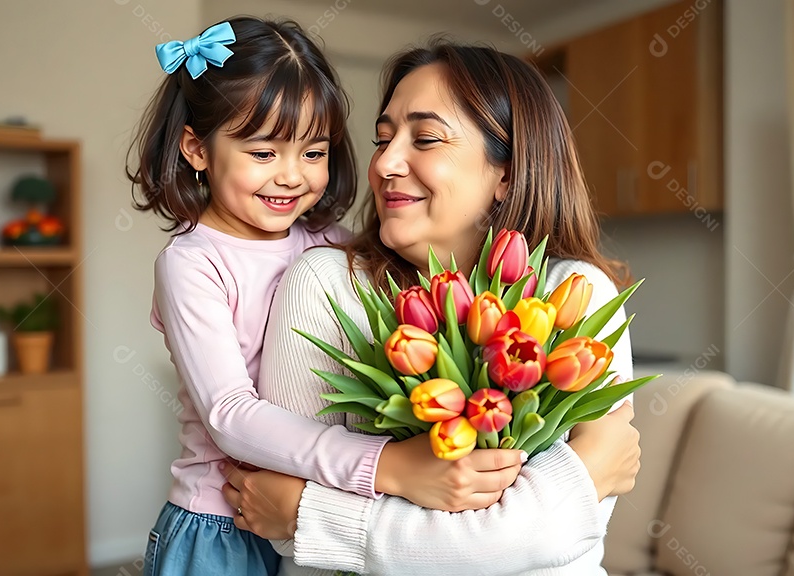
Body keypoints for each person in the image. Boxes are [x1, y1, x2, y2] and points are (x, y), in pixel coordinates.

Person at [220, 41, 643, 575]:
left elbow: (565, 534)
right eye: (382, 139)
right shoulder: (326, 283)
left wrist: (314, 518)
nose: (386, 163)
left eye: (425, 138)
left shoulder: (575, 292)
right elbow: (268, 503)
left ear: (507, 172)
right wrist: (549, 501)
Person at [128, 20, 527, 576]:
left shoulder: (330, 245)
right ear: (197, 148)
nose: (292, 177)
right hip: (220, 521)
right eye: (264, 154)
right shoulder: (192, 263)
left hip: (315, 511)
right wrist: (386, 466)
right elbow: (229, 414)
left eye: (313, 152)